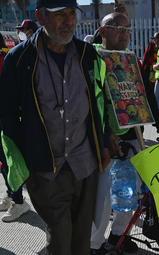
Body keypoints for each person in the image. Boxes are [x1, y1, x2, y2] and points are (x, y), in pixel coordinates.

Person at [0, 0, 111, 254]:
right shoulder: (19, 59)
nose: (69, 21)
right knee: (60, 241)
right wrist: (20, 163)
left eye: (72, 13)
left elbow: (99, 101)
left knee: (82, 240)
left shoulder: (88, 54)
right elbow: (6, 114)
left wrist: (103, 141)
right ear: (40, 17)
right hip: (45, 170)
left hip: (86, 165)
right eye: (59, 14)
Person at [90, 12, 159, 255]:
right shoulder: (92, 59)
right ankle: (94, 244)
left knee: (128, 194)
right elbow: (89, 103)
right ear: (103, 31)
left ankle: (118, 236)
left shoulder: (132, 60)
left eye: (128, 29)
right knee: (103, 198)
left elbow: (147, 94)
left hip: (132, 137)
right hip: (106, 142)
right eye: (118, 28)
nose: (124, 34)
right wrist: (106, 135)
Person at [0, 32, 31, 222]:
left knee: (10, 160)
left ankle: (19, 201)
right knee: (3, 162)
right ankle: (12, 194)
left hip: (7, 120)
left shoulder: (7, 59)